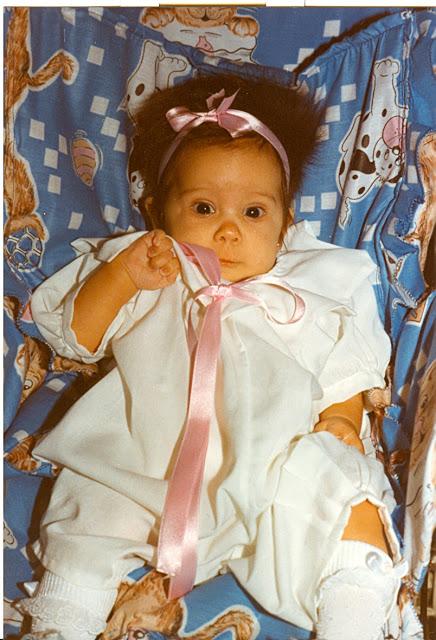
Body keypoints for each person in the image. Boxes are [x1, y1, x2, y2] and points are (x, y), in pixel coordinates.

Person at [18, 73, 407, 640]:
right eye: (203, 207)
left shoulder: (309, 283)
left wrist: (343, 417)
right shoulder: (147, 264)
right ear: (157, 211)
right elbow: (74, 335)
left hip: (272, 464)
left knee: (343, 491)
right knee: (89, 508)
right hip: (143, 452)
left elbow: (343, 357)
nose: (227, 231)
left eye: (253, 213)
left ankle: (354, 614)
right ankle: (63, 617)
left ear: (286, 223)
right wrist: (123, 278)